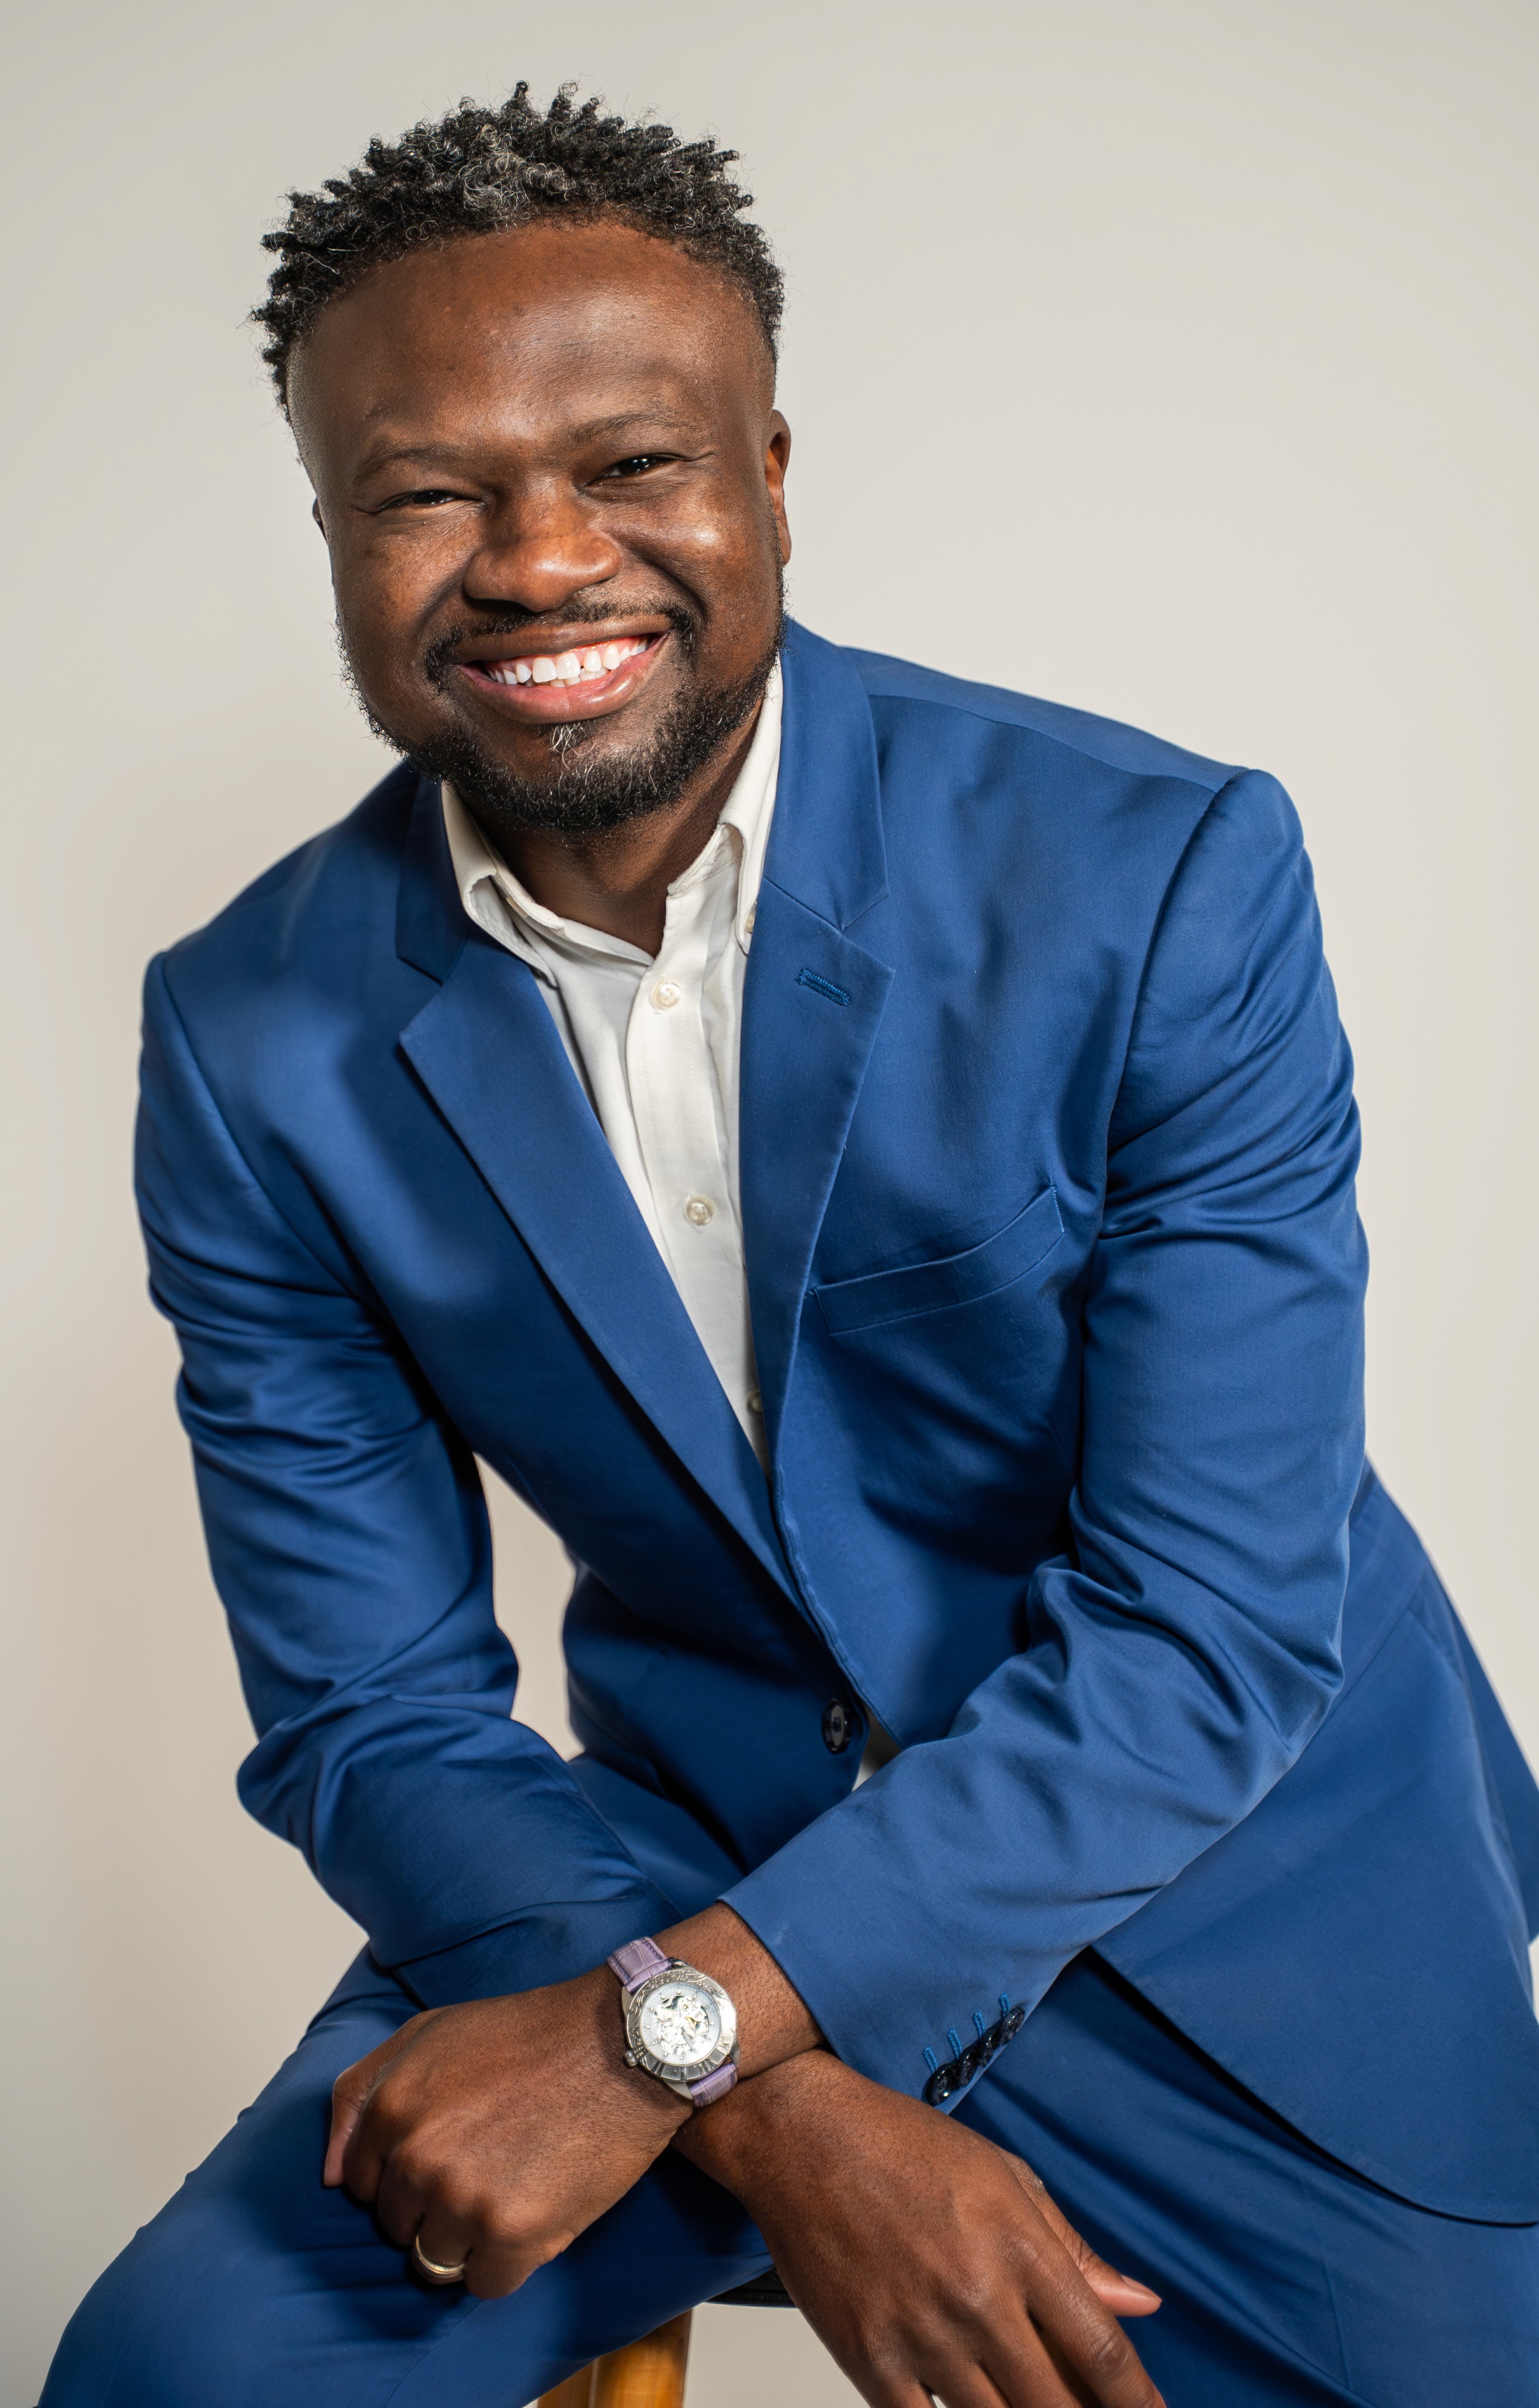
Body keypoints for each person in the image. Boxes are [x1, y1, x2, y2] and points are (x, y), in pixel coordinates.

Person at [42, 82, 1539, 2408]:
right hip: (633, 1874)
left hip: (1214, 1889)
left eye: (629, 464)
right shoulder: (249, 1033)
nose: (539, 560)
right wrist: (739, 2074)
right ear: (332, 529)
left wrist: (679, 2036)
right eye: (426, 491)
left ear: (763, 470)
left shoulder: (1155, 878)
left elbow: (1211, 1629)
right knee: (183, 2377)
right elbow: (370, 1703)